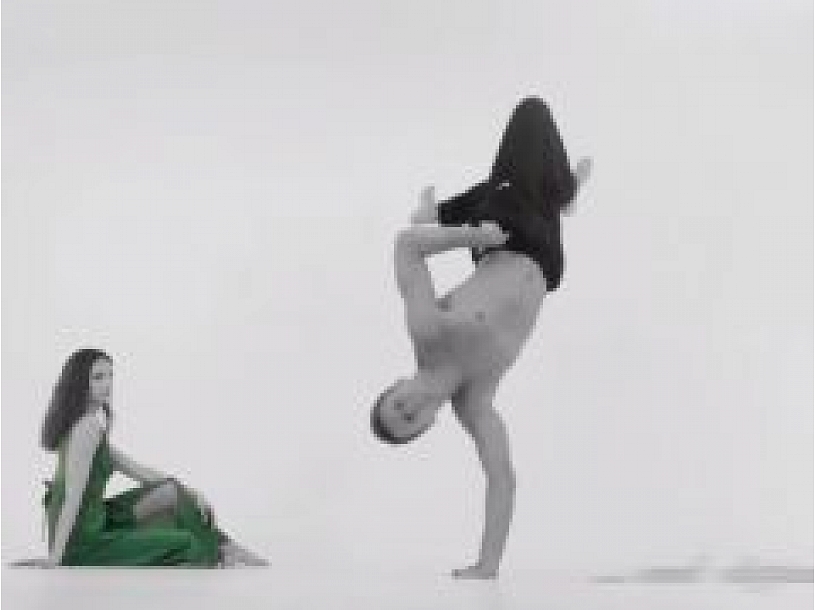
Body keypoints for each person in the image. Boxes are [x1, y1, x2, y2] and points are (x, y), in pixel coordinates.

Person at [370, 97, 592, 579]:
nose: (409, 409)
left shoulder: (427, 332)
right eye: (410, 421)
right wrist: (488, 564)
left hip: (508, 232)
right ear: (428, 426)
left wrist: (475, 238)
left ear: (396, 384)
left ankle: (445, 211)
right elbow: (502, 478)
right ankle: (559, 192)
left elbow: (406, 248)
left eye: (398, 404)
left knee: (531, 115)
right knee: (545, 189)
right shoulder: (475, 404)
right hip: (549, 259)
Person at [39, 348, 266, 567]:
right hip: (82, 541)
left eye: (110, 376)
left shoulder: (90, 426)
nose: (107, 384)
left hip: (99, 518)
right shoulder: (86, 428)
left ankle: (224, 547)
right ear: (79, 383)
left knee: (171, 490)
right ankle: (221, 550)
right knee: (185, 541)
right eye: (98, 377)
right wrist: (56, 558)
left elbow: (138, 470)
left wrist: (190, 491)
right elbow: (72, 496)